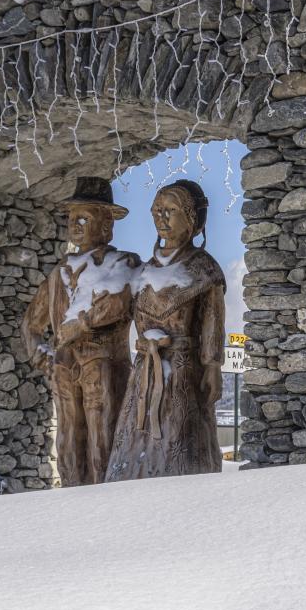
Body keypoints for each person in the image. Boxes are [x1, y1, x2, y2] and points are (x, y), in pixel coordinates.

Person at [21, 177, 141, 487]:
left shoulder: (123, 263)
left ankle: (105, 497)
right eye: (73, 218)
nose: (76, 224)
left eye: (84, 217)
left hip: (105, 365)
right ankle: (72, 495)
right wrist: (41, 354)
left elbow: (116, 303)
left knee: (104, 434)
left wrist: (81, 323)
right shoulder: (59, 272)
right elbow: (32, 323)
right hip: (64, 367)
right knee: (68, 435)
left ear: (106, 225)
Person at [105, 180, 227, 482]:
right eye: (157, 210)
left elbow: (213, 322)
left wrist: (213, 366)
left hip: (184, 372)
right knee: (137, 435)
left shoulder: (203, 269)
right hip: (144, 372)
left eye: (170, 210)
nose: (161, 217)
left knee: (179, 437)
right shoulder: (144, 272)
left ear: (192, 219)